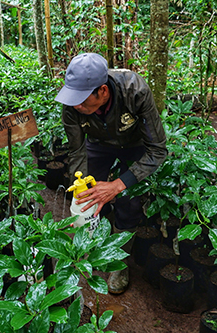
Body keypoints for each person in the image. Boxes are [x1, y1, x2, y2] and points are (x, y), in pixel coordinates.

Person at [55, 52, 167, 295]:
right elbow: (76, 150)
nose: (77, 106)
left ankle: (119, 262)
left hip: (135, 144)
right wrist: (81, 183)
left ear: (103, 91)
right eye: (74, 100)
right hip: (98, 144)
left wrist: (118, 184)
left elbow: (157, 150)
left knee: (129, 202)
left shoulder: (134, 90)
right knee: (93, 198)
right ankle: (99, 246)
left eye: (83, 101)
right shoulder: (73, 103)